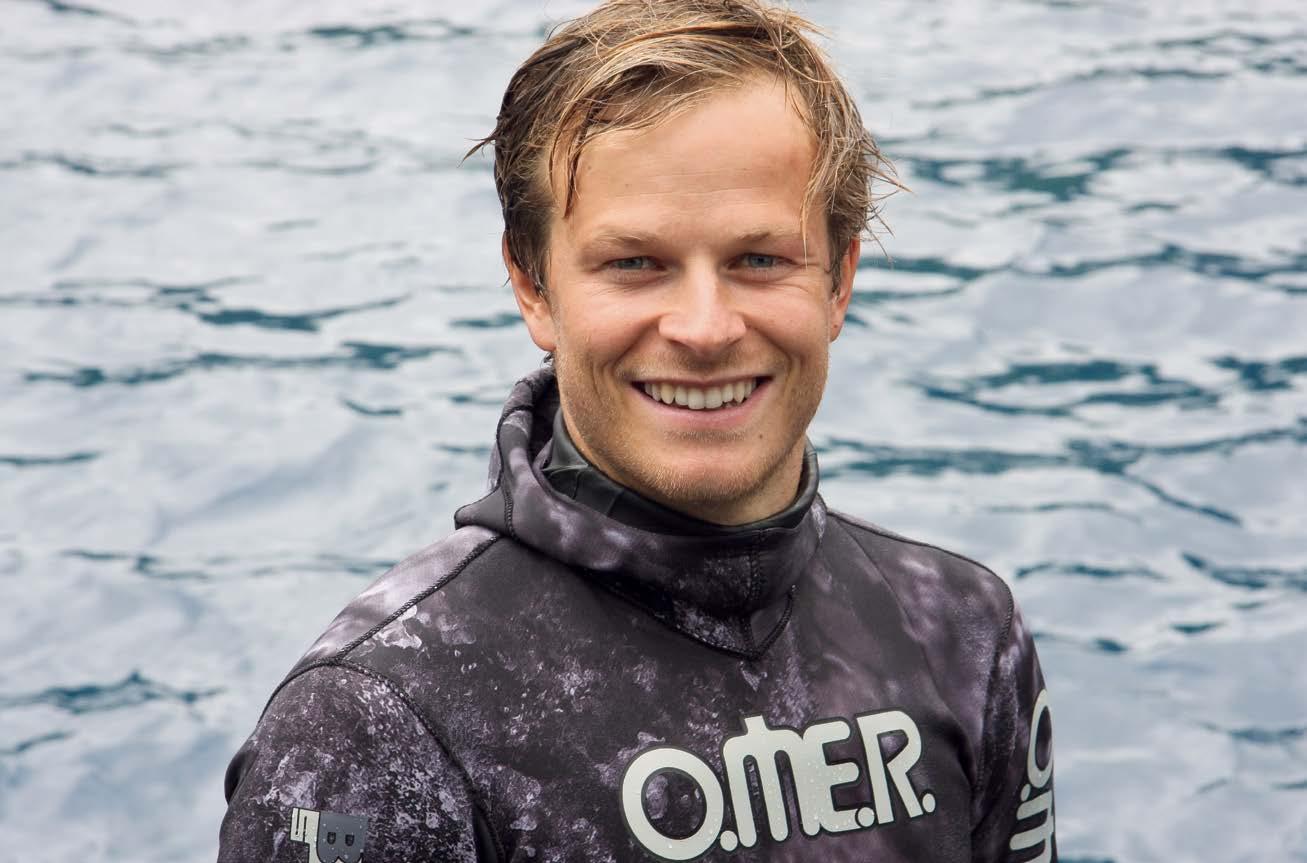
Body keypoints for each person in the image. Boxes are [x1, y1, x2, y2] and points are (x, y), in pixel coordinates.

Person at [217, 1, 1056, 861]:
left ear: (838, 281)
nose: (705, 328)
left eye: (758, 259)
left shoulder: (962, 632)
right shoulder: (374, 719)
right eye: (634, 263)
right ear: (533, 286)